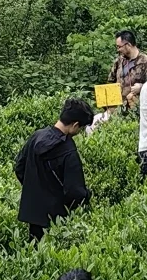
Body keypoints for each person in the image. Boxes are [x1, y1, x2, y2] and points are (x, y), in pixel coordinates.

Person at [15, 99, 94, 241]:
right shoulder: (68, 150)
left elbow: (19, 167)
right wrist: (87, 196)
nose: (79, 132)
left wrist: (33, 189)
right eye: (80, 129)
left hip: (33, 212)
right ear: (75, 124)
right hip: (58, 217)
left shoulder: (36, 136)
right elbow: (75, 191)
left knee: (34, 252)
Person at [107, 30, 147, 109]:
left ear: (128, 45)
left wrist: (141, 87)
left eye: (119, 47)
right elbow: (110, 82)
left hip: (136, 109)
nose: (118, 50)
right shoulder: (119, 61)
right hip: (117, 109)